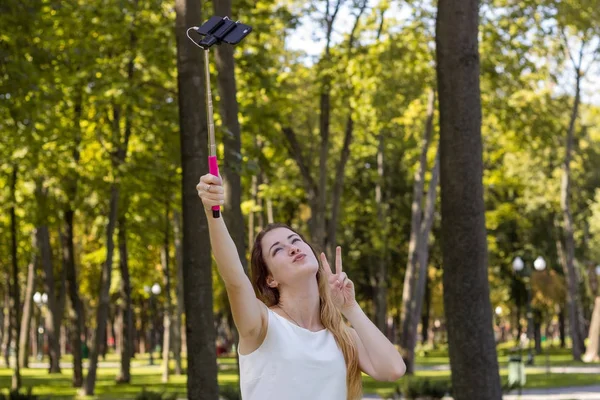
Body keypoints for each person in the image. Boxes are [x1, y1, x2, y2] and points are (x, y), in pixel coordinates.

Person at [197, 173, 406, 400]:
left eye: (296, 241)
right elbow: (235, 279)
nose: (293, 248)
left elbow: (393, 370)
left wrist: (350, 308)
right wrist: (213, 213)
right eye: (277, 250)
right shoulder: (262, 323)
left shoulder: (342, 336)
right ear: (270, 279)